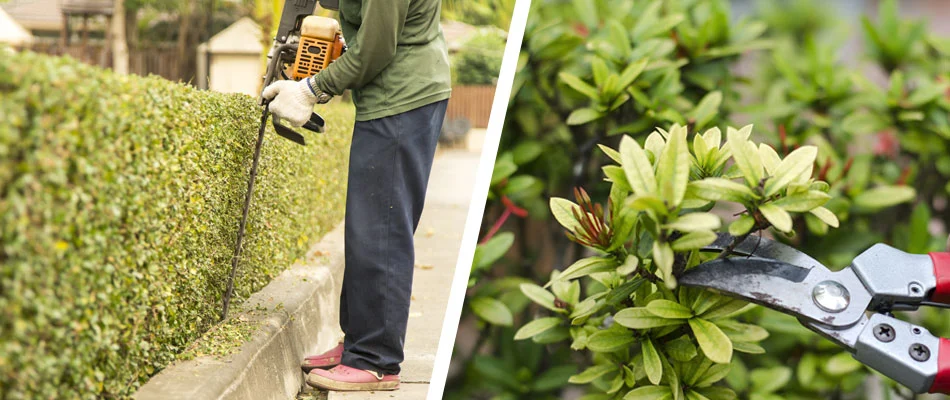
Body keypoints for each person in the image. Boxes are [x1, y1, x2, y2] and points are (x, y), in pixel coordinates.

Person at [261, 0, 451, 392]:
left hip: (401, 100)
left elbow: (375, 50)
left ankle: (376, 360)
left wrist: (311, 88)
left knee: (382, 231)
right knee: (367, 228)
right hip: (391, 99)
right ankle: (359, 345)